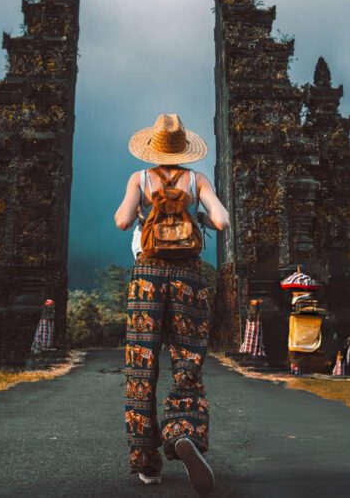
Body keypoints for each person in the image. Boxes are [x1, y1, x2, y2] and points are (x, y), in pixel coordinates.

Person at [114, 113, 229, 494]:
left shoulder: (140, 179)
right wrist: (198, 215)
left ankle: (147, 462)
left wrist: (144, 213)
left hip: (147, 275)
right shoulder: (196, 180)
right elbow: (222, 220)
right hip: (188, 279)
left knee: (141, 369)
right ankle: (184, 431)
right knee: (188, 359)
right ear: (184, 150)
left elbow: (121, 220)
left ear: (153, 148)